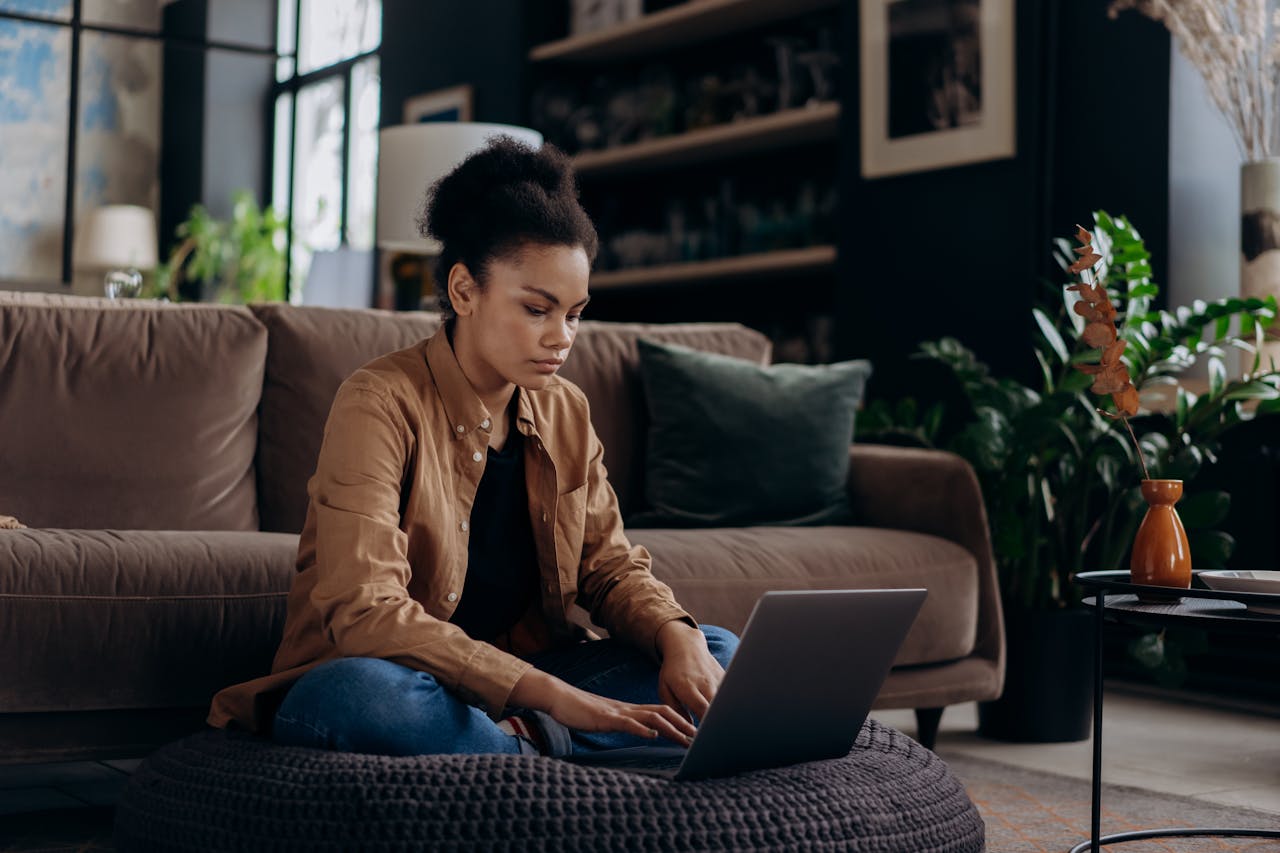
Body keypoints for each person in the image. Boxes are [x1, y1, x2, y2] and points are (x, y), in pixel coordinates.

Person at [207, 136, 738, 757]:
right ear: (464, 291)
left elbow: (610, 566)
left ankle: (514, 751)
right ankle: (561, 744)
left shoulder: (566, 410)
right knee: (355, 698)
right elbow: (364, 610)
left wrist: (680, 639)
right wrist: (550, 695)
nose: (561, 337)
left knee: (717, 652)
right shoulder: (378, 401)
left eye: (574, 314)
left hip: (528, 681)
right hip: (404, 679)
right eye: (537, 309)